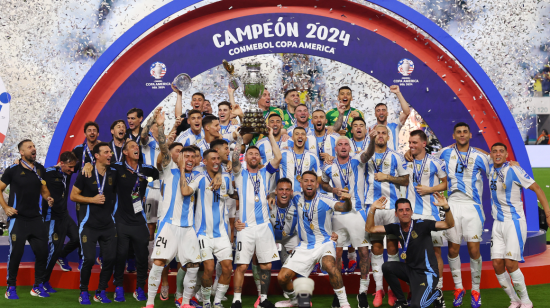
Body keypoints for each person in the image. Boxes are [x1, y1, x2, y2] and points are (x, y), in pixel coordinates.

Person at [430, 122, 490, 308]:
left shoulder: (480, 156)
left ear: (470, 135)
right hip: (453, 206)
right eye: (459, 132)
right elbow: (427, 158)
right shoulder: (445, 154)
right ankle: (458, 288)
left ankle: (476, 289)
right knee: (453, 249)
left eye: (465, 132)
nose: (462, 134)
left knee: (474, 250)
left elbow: (497, 162)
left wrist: (511, 162)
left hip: (473, 207)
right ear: (454, 135)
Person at [275, 171, 353, 308]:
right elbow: (282, 195)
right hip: (305, 245)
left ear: (317, 184)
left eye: (312, 181)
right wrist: (271, 196)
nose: (309, 183)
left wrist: (347, 200)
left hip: (325, 243)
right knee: (282, 278)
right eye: (306, 181)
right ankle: (294, 300)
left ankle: (344, 303)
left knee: (330, 265)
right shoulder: (296, 198)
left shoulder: (325, 199)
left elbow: (344, 207)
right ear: (301, 183)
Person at [488, 142, 550, 308]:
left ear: (507, 154)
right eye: (494, 151)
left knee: (510, 263)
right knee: (497, 264)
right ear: (491, 154)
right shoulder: (490, 167)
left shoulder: (514, 170)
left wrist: (548, 213)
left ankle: (526, 302)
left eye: (501, 151)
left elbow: (537, 188)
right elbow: (478, 152)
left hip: (513, 222)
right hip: (497, 224)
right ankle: (515, 300)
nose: (498, 154)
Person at [365, 195, 455, 308]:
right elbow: (370, 229)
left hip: (427, 273)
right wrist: (372, 208)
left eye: (407, 210)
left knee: (417, 305)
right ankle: (401, 300)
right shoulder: (395, 227)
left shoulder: (423, 224)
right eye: (401, 210)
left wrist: (446, 208)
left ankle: (436, 294)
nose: (405, 213)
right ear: (396, 214)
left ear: (411, 212)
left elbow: (449, 224)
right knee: (387, 267)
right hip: (411, 271)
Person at [230, 126, 282, 308]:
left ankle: (264, 298)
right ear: (247, 158)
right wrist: (239, 141)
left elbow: (278, 157)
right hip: (245, 227)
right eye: (250, 154)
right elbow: (234, 159)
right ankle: (237, 299)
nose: (253, 156)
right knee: (242, 266)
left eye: (256, 154)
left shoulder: (265, 172)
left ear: (260, 158)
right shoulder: (239, 174)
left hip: (264, 226)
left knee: (266, 265)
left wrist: (270, 136)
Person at [320, 136, 371, 308]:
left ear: (350, 148)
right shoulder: (328, 167)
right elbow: (323, 183)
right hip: (338, 214)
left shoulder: (358, 160)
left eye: (346, 144)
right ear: (335, 149)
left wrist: (371, 139)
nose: (343, 147)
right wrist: (331, 189)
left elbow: (368, 154)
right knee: (337, 256)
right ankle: (338, 293)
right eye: (340, 144)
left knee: (364, 253)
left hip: (357, 212)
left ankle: (362, 293)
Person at [181, 149, 236, 308]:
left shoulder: (225, 177)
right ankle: (206, 301)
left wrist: (222, 172)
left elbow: (231, 191)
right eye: (213, 159)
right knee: (209, 268)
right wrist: (182, 170)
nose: (216, 161)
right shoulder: (199, 177)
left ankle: (217, 301)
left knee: (227, 268)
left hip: (221, 234)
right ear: (205, 162)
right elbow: (185, 191)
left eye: (219, 158)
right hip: (203, 234)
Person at [1, 139, 54, 299]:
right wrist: (6, 208)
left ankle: (37, 286)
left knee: (43, 252)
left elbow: (44, 189)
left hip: (36, 219)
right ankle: (11, 287)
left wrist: (48, 198)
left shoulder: (39, 169)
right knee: (16, 253)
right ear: (21, 152)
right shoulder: (12, 170)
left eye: (34, 146)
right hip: (18, 219)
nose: (34, 149)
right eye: (29, 147)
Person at [363, 125, 409, 307]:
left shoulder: (396, 156)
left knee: (391, 248)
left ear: (388, 136)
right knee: (375, 248)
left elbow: (405, 179)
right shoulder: (366, 154)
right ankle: (379, 290)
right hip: (372, 206)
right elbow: (360, 159)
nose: (380, 136)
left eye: (383, 133)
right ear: (372, 134)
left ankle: (391, 291)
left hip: (391, 209)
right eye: (376, 133)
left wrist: (387, 177)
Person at [109, 140, 159, 302]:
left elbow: (161, 171)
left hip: (139, 220)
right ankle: (118, 287)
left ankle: (140, 288)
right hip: (121, 220)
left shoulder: (146, 169)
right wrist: (89, 166)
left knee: (143, 256)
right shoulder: (117, 168)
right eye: (132, 147)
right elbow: (101, 167)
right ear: (125, 152)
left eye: (137, 146)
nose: (136, 148)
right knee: (121, 254)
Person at [70, 142, 118, 304]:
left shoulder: (113, 173)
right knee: (89, 259)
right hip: (89, 225)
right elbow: (73, 196)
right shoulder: (86, 173)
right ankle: (84, 291)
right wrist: (92, 199)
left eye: (110, 151)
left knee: (110, 259)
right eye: (106, 152)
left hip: (108, 225)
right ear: (97, 156)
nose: (110, 154)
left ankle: (101, 291)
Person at [405, 130, 448, 302]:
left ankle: (438, 290)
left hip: (432, 213)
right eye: (410, 143)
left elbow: (445, 184)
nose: (411, 146)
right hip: (413, 215)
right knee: (413, 254)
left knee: (435, 252)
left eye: (414, 143)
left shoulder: (436, 163)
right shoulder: (405, 161)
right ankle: (415, 289)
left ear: (424, 143)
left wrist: (430, 189)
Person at [41, 151, 79, 293]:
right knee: (53, 249)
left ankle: (61, 256)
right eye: (69, 167)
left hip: (64, 215)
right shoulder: (49, 172)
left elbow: (82, 162)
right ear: (61, 163)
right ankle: (43, 281)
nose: (72, 170)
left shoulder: (68, 171)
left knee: (77, 238)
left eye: (73, 167)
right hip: (52, 217)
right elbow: (34, 175)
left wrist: (87, 164)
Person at [71, 121, 101, 271]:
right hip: (82, 194)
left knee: (105, 225)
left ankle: (102, 257)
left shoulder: (103, 148)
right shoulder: (78, 150)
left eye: (94, 130)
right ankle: (82, 258)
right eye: (89, 130)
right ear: (85, 134)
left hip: (101, 193)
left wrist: (92, 164)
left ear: (98, 133)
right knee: (83, 227)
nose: (92, 133)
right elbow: (66, 164)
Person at [140, 107, 163, 268]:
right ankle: (148, 261)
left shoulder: (165, 142)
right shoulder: (146, 142)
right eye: (157, 125)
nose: (159, 127)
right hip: (149, 188)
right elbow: (142, 135)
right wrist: (151, 119)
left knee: (162, 224)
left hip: (163, 189)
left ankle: (160, 258)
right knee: (150, 225)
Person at [367, 85, 411, 151]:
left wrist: (398, 93)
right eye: (378, 111)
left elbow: (406, 112)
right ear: (375, 114)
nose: (381, 112)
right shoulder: (371, 129)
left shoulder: (395, 125)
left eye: (383, 110)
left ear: (387, 113)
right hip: (377, 160)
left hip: (392, 160)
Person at [280, 126, 322, 193]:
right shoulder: (283, 154)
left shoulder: (313, 157)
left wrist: (308, 180)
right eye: (297, 134)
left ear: (305, 138)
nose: (300, 136)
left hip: (305, 196)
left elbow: (320, 177)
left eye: (302, 134)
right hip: (287, 196)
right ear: (293, 138)